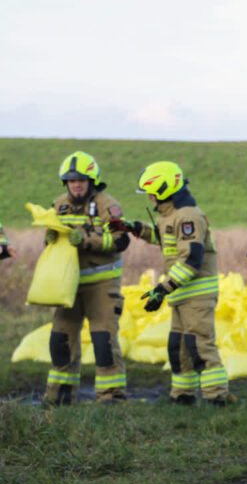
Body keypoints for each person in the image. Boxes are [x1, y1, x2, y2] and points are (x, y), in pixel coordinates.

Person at [128, 161, 229, 405]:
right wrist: (134, 228)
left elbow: (191, 260)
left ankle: (218, 399)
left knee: (200, 347)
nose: (150, 198)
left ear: (164, 189)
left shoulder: (188, 217)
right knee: (179, 348)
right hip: (181, 295)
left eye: (151, 192)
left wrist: (163, 289)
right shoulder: (171, 215)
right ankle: (182, 397)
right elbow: (165, 238)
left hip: (196, 296)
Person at [44, 151, 130, 405]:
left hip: (102, 285)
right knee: (60, 340)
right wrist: (49, 238)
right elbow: (53, 236)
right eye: (71, 181)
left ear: (92, 181)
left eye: (81, 180)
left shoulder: (108, 205)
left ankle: (111, 399)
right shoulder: (59, 204)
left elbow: (120, 240)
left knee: (103, 341)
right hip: (67, 285)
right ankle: (58, 398)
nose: (76, 185)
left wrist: (87, 240)